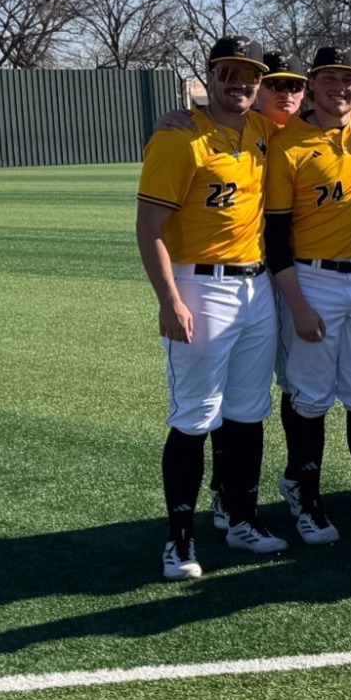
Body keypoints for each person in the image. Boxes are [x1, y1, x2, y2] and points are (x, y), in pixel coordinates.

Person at [137, 36, 290, 579]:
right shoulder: (180, 138)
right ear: (210, 74)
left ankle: (242, 519)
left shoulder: (264, 130)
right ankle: (179, 540)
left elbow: (330, 114)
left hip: (256, 285)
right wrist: (169, 300)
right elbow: (149, 228)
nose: (240, 83)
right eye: (229, 72)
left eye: (250, 75)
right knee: (194, 416)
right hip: (199, 285)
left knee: (248, 411)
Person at [265, 45, 351, 543]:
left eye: (349, 80)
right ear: (312, 85)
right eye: (329, 79)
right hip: (313, 278)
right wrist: (298, 304)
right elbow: (276, 238)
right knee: (311, 395)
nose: (340, 88)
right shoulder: (288, 145)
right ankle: (307, 499)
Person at [255, 50, 307, 127]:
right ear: (257, 88)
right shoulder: (241, 127)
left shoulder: (313, 131)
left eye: (295, 86)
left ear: (303, 92)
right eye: (277, 85)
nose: (287, 93)